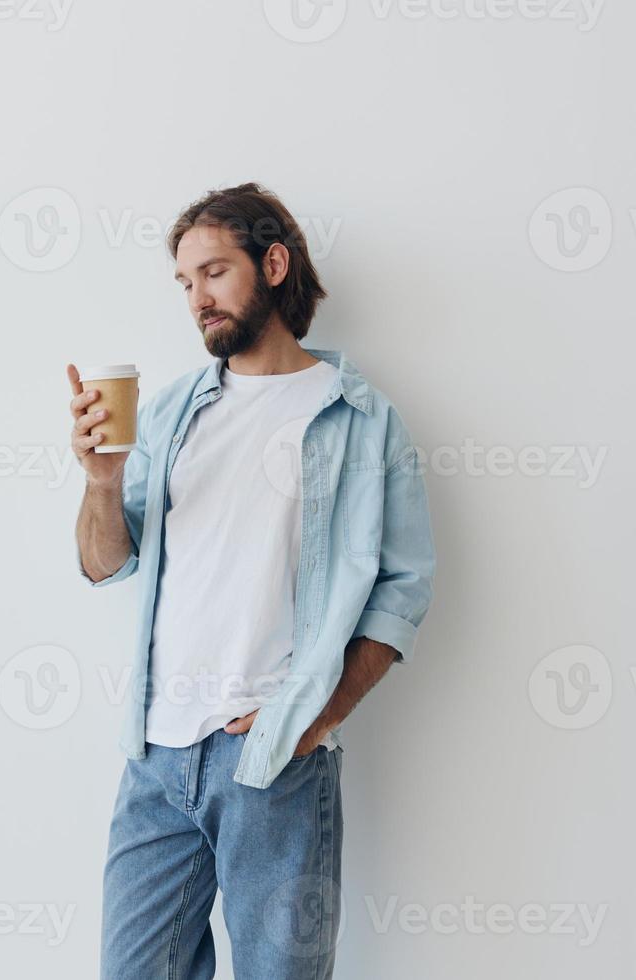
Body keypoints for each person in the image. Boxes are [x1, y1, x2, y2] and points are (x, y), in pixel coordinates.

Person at [68, 182, 437, 979]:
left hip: (273, 764)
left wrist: (314, 717)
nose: (197, 299)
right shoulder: (168, 414)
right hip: (156, 756)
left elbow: (403, 592)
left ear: (274, 264)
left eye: (213, 272)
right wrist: (102, 483)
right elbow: (106, 563)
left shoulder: (361, 420)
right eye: (185, 283)